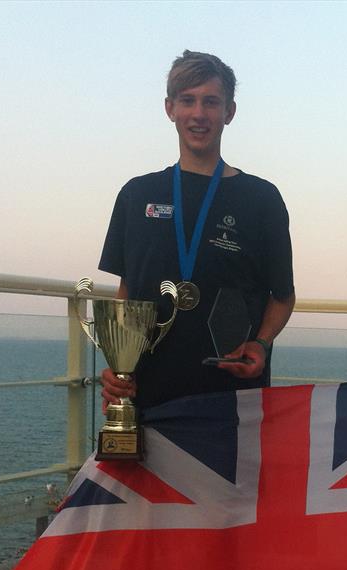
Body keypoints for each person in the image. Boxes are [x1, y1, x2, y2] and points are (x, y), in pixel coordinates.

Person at [99, 50, 295, 411]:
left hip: (232, 394)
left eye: (211, 102)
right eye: (187, 101)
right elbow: (128, 289)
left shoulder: (261, 198)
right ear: (169, 108)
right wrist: (117, 364)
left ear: (229, 112)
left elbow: (282, 296)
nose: (199, 114)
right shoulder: (136, 194)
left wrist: (262, 343)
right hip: (145, 389)